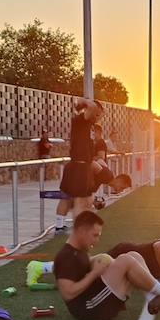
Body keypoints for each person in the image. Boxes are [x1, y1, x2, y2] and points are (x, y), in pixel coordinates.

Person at [54, 210, 160, 320]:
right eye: (95, 235)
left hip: (96, 298)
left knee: (134, 255)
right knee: (124, 260)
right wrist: (94, 274)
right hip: (89, 309)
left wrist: (98, 262)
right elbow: (68, 294)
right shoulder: (66, 257)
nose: (97, 240)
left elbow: (82, 270)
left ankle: (152, 299)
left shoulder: (80, 250)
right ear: (81, 231)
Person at [54, 98, 103, 232]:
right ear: (89, 111)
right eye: (97, 114)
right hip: (79, 167)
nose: (98, 117)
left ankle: (60, 226)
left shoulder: (88, 124)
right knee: (80, 201)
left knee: (67, 197)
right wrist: (83, 102)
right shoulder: (81, 120)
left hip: (78, 165)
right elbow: (91, 106)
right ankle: (78, 230)